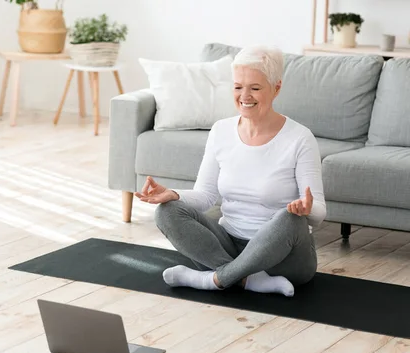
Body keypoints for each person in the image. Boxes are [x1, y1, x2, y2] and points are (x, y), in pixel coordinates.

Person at [135, 45, 326, 297]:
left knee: (289, 218)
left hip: (285, 259)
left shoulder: (300, 138)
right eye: (238, 87)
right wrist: (172, 194)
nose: (244, 95)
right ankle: (247, 279)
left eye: (255, 88)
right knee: (167, 211)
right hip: (229, 246)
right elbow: (205, 196)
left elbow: (319, 212)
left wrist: (306, 209)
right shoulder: (221, 131)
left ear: (276, 88)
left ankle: (209, 280)